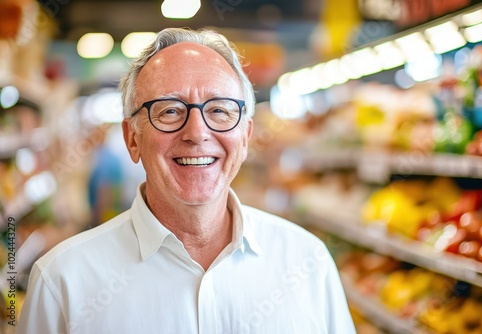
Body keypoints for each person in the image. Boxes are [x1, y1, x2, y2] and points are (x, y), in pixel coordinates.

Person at [17, 28, 356, 334]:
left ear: (245, 137)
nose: (197, 133)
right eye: (169, 111)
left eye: (220, 110)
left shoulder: (308, 263)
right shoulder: (61, 282)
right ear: (132, 138)